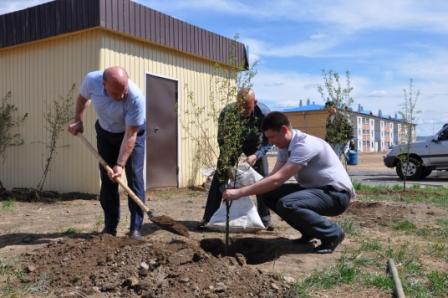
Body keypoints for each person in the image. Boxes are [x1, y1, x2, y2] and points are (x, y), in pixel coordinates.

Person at [223, 112, 354, 253]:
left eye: (272, 137)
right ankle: (309, 231)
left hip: (336, 195)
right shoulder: (285, 147)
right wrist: (244, 185)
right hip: (316, 190)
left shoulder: (304, 145)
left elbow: (278, 179)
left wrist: (239, 193)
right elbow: (272, 178)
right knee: (268, 194)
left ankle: (333, 233)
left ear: (284, 130)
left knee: (287, 204)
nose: (271, 142)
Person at [68, 66, 146, 240]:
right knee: (108, 181)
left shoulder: (136, 97)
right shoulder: (92, 81)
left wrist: (120, 164)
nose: (124, 94)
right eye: (118, 93)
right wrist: (78, 121)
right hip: (105, 133)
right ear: (104, 86)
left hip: (131, 134)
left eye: (125, 89)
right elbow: (82, 99)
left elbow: (130, 135)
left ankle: (135, 229)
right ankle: (110, 228)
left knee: (134, 178)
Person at [199, 88, 273, 230]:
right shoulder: (227, 113)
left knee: (263, 179)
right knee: (219, 176)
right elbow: (222, 139)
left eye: (247, 108)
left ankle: (265, 218)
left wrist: (256, 155)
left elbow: (268, 141)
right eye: (240, 107)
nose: (243, 111)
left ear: (255, 102)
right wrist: (227, 162)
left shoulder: (264, 114)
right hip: (232, 144)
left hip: (255, 145)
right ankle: (208, 218)